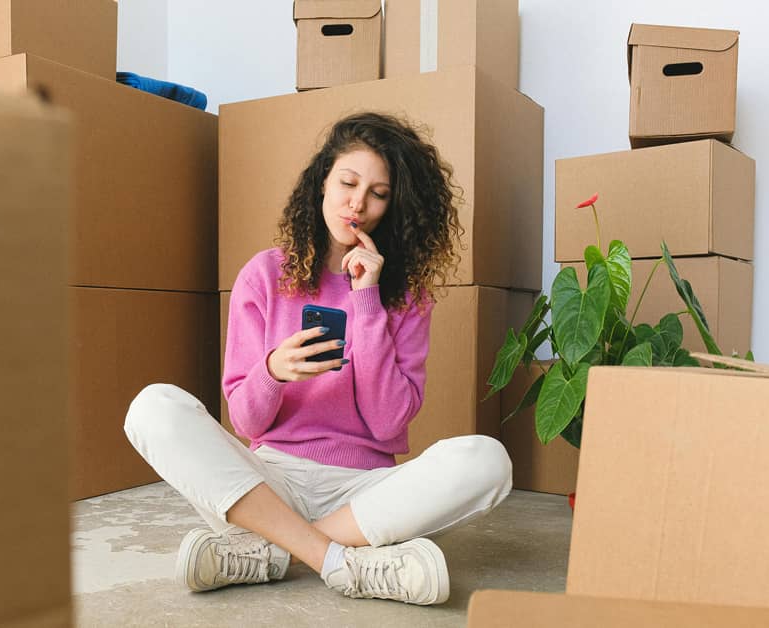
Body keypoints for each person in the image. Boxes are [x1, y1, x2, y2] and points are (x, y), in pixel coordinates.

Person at [124, 112, 512, 606]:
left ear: (394, 206)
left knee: (488, 460)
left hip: (365, 492)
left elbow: (388, 419)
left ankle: (273, 550)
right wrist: (271, 373)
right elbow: (245, 419)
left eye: (379, 193)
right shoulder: (264, 275)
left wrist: (367, 299)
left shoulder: (407, 297)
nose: (359, 203)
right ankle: (336, 561)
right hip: (267, 482)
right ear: (321, 183)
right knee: (153, 406)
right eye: (348, 182)